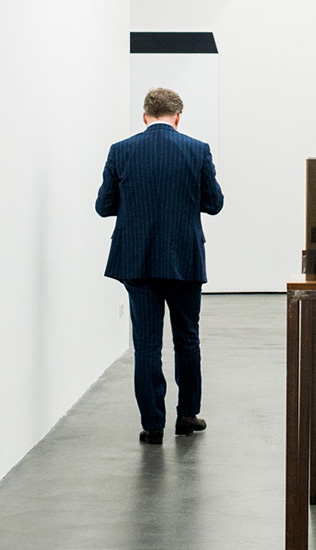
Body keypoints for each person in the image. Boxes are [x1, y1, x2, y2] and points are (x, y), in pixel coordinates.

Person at [97, 88, 225, 445]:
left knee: (147, 344)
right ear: (178, 117)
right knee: (187, 338)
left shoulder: (121, 151)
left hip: (136, 259)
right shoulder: (197, 150)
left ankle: (152, 425)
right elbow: (214, 203)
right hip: (183, 258)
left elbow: (104, 206)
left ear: (145, 116)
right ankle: (187, 416)